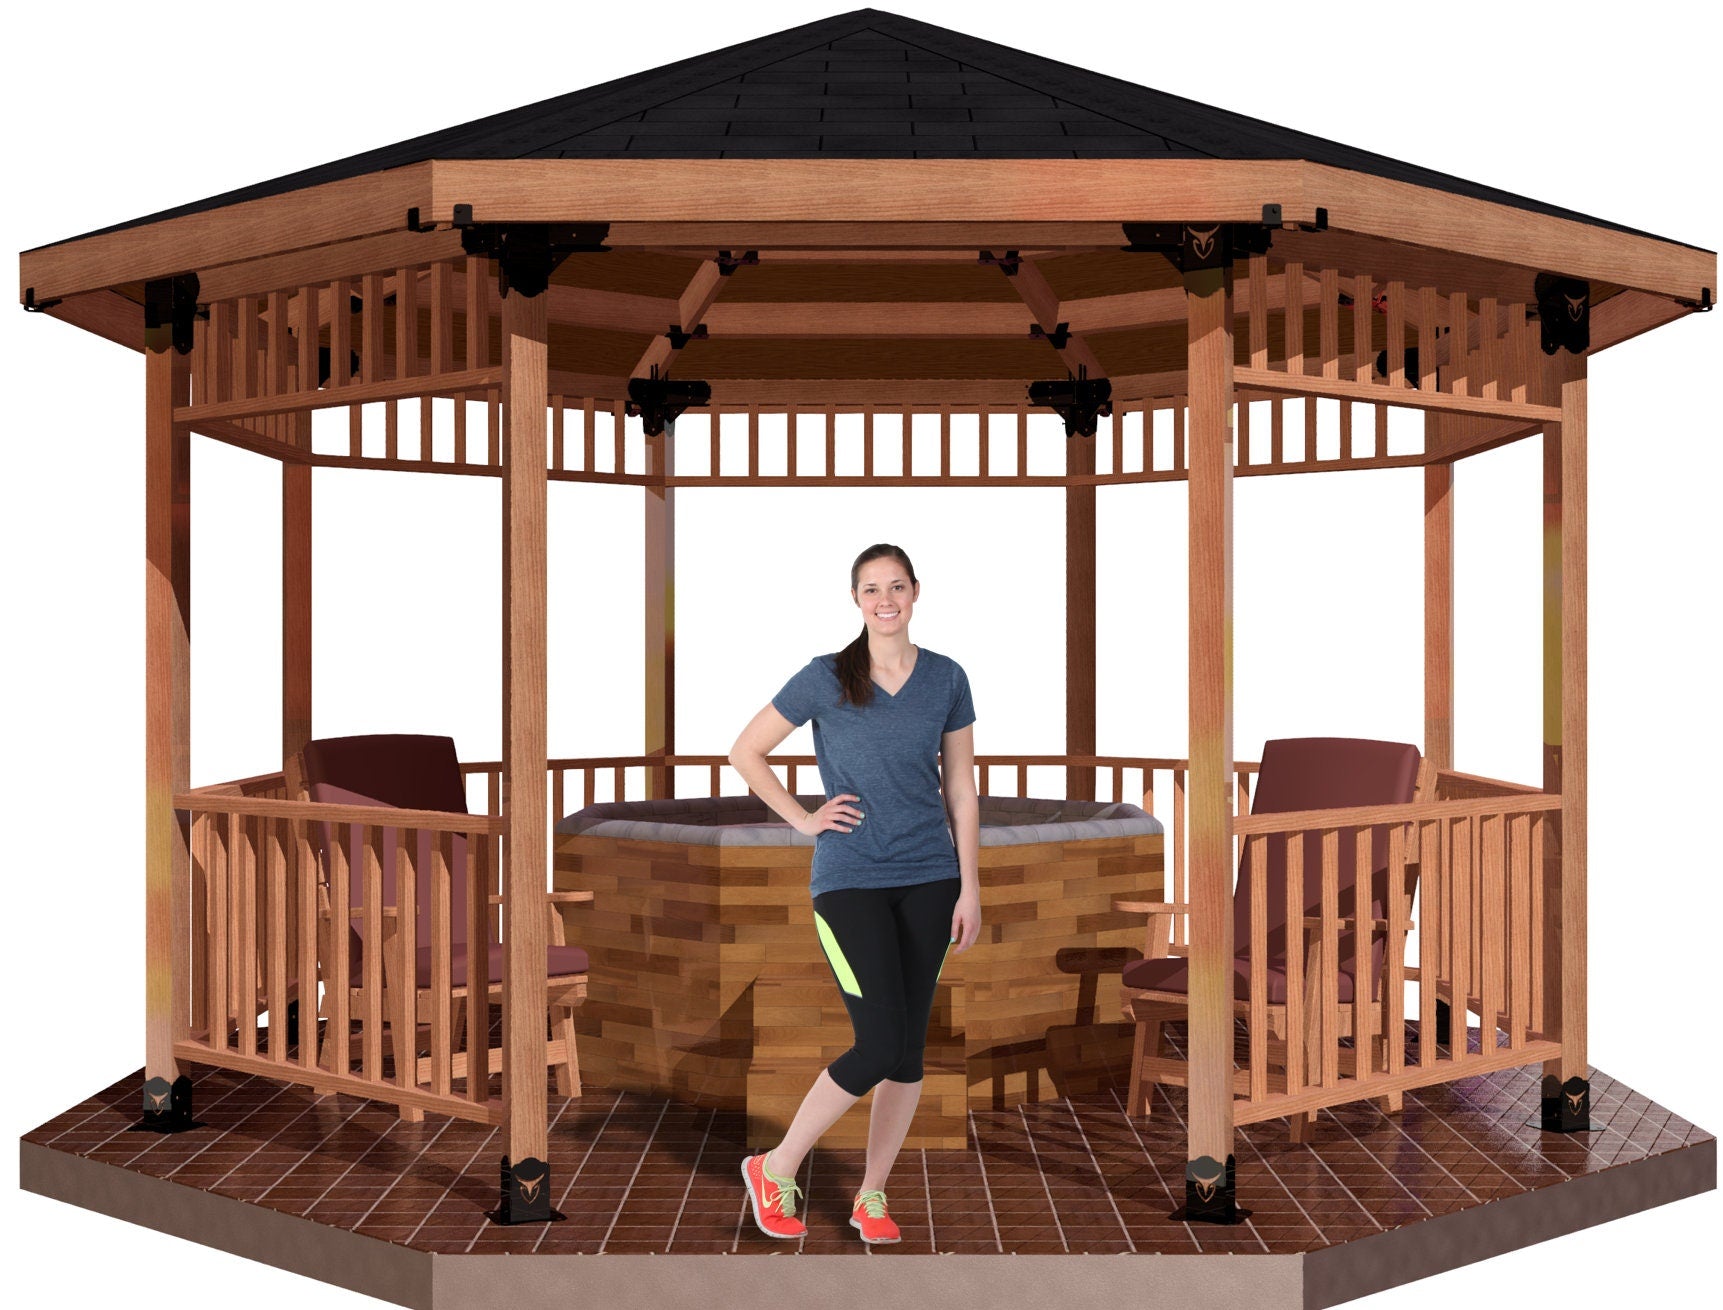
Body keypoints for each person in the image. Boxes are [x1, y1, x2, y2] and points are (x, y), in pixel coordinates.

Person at [728, 542, 980, 1244]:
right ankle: (774, 1167)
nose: (884, 599)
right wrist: (803, 819)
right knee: (877, 1042)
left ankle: (870, 1195)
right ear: (856, 600)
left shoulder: (946, 678)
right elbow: (746, 750)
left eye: (895, 586)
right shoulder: (824, 677)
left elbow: (959, 786)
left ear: (915, 592)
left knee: (906, 1053)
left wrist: (970, 885)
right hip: (850, 879)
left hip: (930, 878)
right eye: (871, 588)